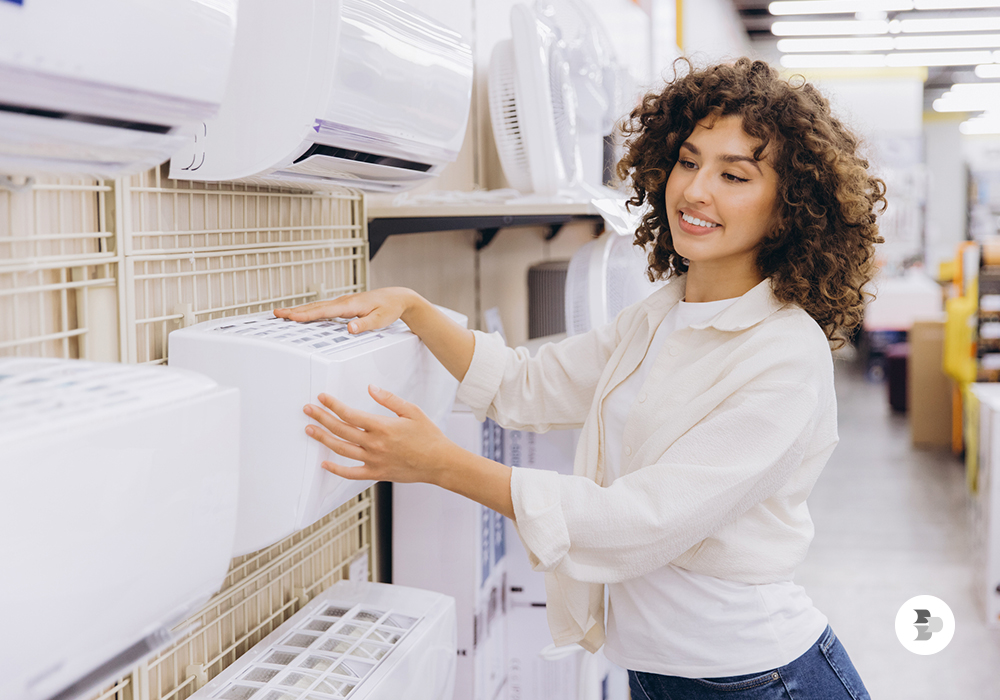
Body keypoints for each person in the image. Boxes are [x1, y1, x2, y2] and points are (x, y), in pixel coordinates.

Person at [274, 57, 882, 700]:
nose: (696, 190)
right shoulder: (659, 316)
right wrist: (416, 311)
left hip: (759, 679)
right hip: (658, 672)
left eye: (733, 175)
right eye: (688, 160)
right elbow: (526, 385)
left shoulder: (786, 355)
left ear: (790, 210)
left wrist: (441, 465)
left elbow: (642, 521)